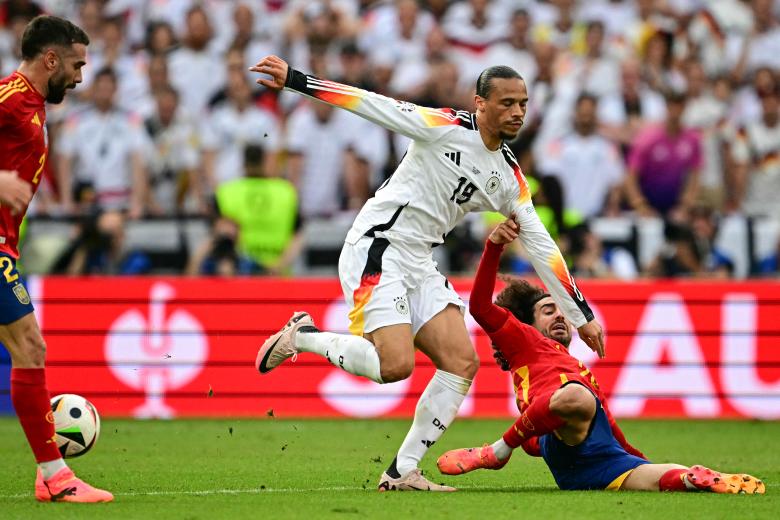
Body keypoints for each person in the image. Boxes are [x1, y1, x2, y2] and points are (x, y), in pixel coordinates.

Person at [250, 55, 605, 491]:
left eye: (524, 104)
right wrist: (298, 81)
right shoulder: (443, 126)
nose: (517, 112)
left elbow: (541, 245)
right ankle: (301, 336)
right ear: (480, 103)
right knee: (394, 365)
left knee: (461, 362)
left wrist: (581, 315)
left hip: (418, 260)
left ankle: (401, 471)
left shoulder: (509, 177)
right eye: (507, 102)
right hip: (378, 245)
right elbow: (371, 104)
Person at [436, 220, 765, 494]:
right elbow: (479, 306)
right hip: (569, 430)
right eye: (548, 311)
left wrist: (639, 459)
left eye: (563, 311)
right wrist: (493, 246)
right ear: (527, 323)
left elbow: (606, 423)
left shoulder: (577, 367)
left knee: (665, 475)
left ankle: (704, 479)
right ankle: (496, 452)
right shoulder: (523, 340)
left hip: (594, 462)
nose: (561, 317)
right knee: (578, 397)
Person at [0, 15, 112, 502]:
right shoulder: (10, 97)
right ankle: (56, 478)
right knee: (31, 346)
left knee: (29, 348)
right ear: (51, 59)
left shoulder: (35, 105)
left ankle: (52, 476)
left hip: (5, 244)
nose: (81, 76)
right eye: (76, 64)